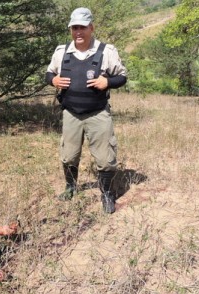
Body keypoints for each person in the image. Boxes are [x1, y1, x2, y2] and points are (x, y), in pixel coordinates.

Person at [45, 7, 127, 214]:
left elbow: (122, 77)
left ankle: (107, 194)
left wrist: (107, 81)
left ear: (91, 27)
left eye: (82, 27)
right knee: (69, 156)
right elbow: (49, 74)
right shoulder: (62, 52)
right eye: (74, 28)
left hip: (98, 113)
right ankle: (71, 187)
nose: (78, 32)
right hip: (71, 113)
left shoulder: (106, 52)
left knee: (105, 159)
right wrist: (53, 80)